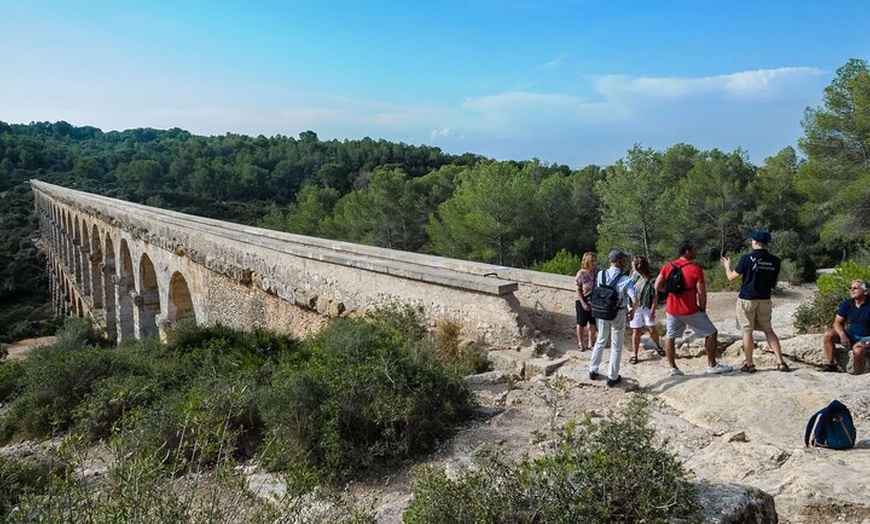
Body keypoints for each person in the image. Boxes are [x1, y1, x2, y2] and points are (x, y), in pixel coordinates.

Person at [654, 240, 733, 376]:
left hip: (672, 309)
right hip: (690, 309)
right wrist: (702, 308)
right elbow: (701, 292)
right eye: (694, 249)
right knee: (711, 333)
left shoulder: (668, 266)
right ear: (688, 251)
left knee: (670, 337)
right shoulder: (695, 269)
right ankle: (712, 365)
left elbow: (657, 286)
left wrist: (671, 291)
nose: (696, 252)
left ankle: (673, 368)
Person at [721, 230, 790, 372]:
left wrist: (727, 267)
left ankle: (750, 364)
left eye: (752, 240)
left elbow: (731, 277)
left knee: (747, 332)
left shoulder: (747, 258)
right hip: (765, 298)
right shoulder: (775, 261)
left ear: (756, 242)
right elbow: (774, 283)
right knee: (769, 331)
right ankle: (780, 362)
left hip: (747, 298)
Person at [588, 250, 635, 387]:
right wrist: (632, 312)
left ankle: (593, 370)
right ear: (619, 261)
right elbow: (634, 299)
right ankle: (612, 377)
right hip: (618, 313)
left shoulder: (601, 274)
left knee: (600, 340)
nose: (625, 263)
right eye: (624, 260)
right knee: (616, 346)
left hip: (602, 311)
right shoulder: (626, 279)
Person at [821, 279, 870, 374]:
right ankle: (830, 365)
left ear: (866, 291)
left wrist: (865, 342)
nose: (852, 290)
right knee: (828, 335)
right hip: (852, 334)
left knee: (858, 350)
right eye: (850, 288)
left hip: (867, 337)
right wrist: (842, 334)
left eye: (855, 288)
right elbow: (837, 322)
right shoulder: (848, 303)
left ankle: (858, 375)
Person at [628, 255, 664, 364]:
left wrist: (653, 309)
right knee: (635, 330)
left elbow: (655, 296)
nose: (631, 265)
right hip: (634, 306)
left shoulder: (651, 279)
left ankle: (658, 346)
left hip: (647, 306)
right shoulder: (632, 276)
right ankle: (635, 354)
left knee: (652, 327)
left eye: (633, 264)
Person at [574, 252, 598, 351]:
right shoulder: (581, 273)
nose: (594, 263)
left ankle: (590, 343)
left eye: (595, 260)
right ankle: (580, 343)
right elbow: (577, 289)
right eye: (592, 261)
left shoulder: (597, 272)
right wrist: (583, 303)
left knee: (593, 323)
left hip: (594, 301)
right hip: (582, 300)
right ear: (586, 262)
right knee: (581, 323)